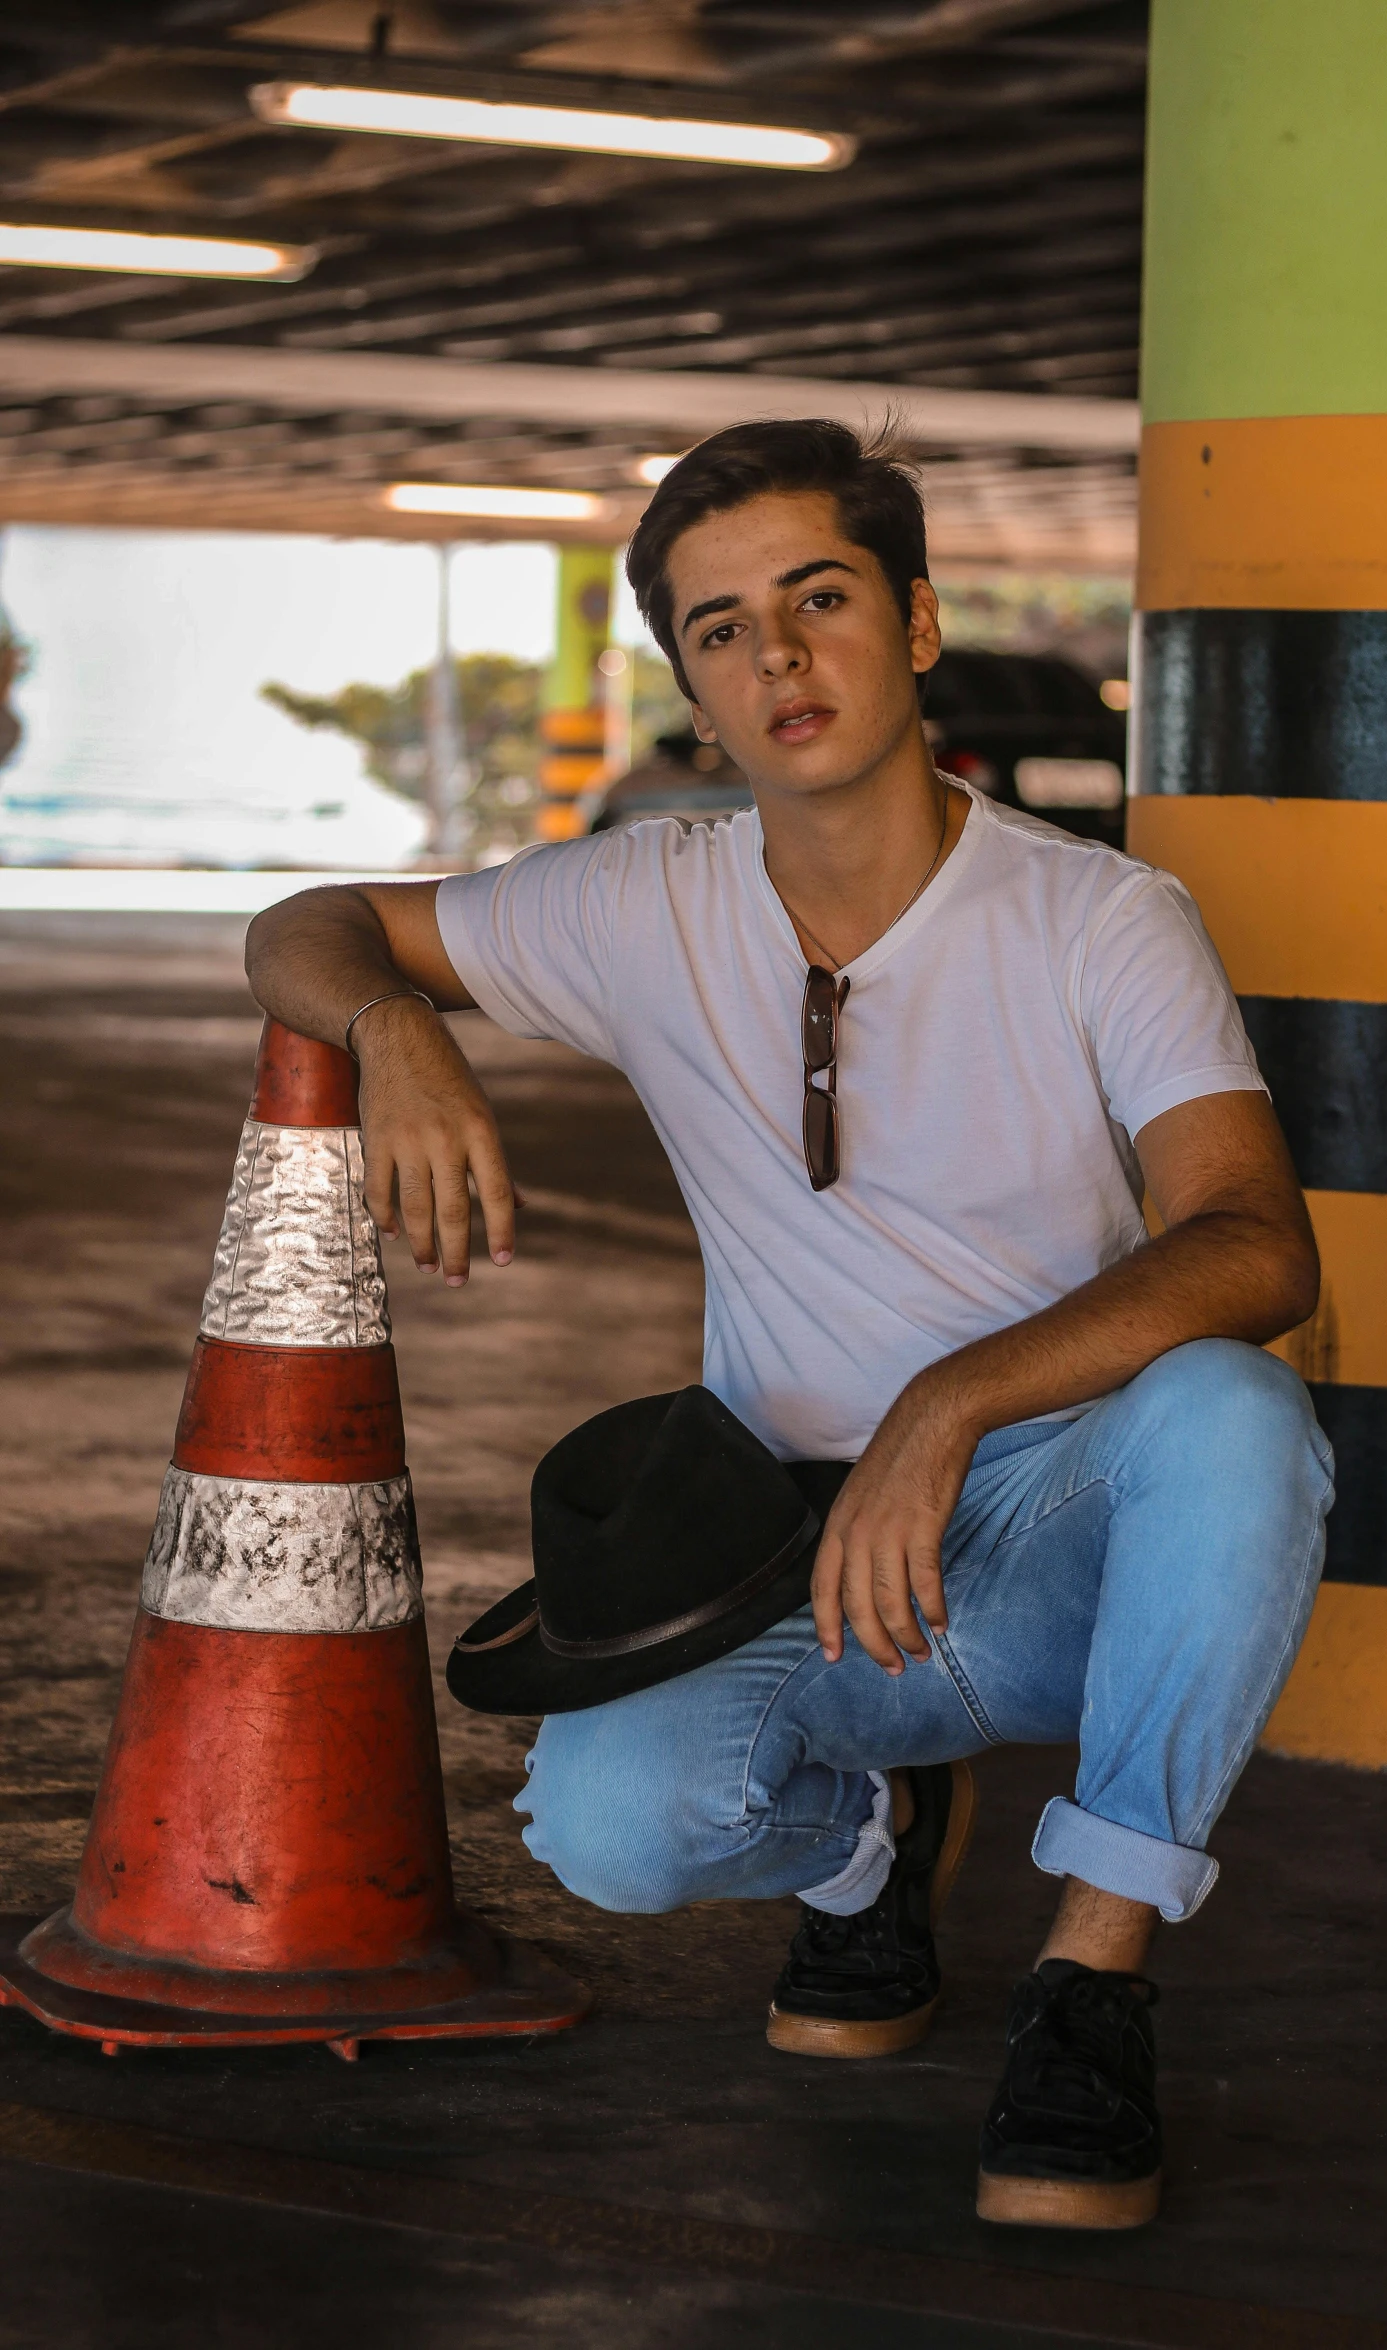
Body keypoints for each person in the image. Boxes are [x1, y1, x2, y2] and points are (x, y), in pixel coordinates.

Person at [246, 419, 1332, 2231]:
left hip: (1066, 1522)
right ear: (693, 691)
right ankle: (867, 1846)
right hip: (784, 1552)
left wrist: (950, 1402)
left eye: (816, 600)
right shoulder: (635, 904)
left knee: (1233, 1408)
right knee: (608, 1833)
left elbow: (1251, 1242)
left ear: (912, 622)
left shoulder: (1097, 918)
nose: (777, 658)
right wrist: (395, 1029)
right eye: (722, 629)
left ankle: (1091, 1978)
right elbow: (303, 920)